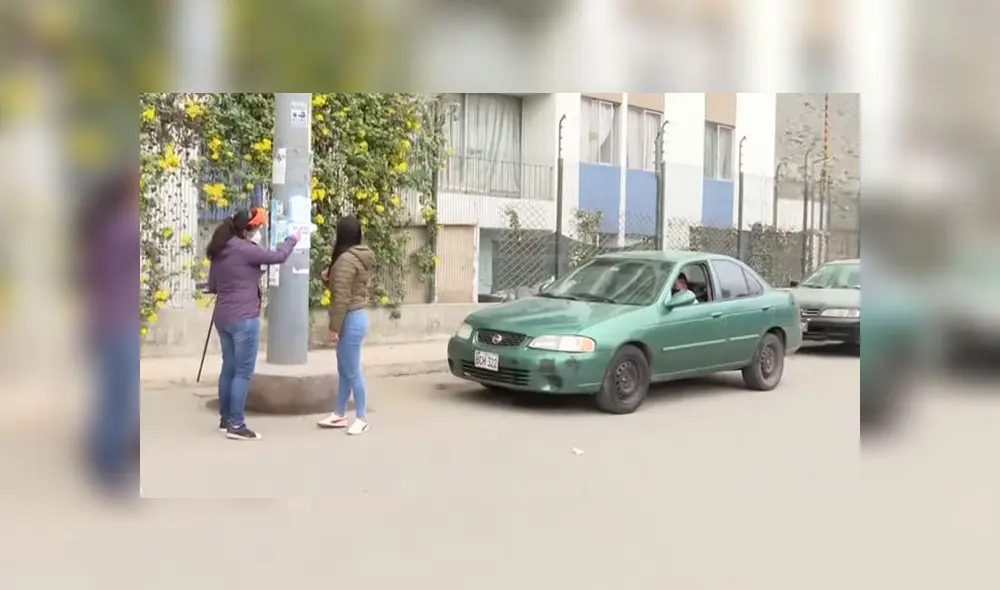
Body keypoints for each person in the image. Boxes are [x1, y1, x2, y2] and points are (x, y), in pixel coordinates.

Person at [206, 208, 299, 441]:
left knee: (228, 367)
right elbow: (277, 257)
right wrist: (292, 240)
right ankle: (237, 425)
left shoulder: (220, 250)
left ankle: (225, 419)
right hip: (244, 317)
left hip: (223, 316)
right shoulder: (245, 249)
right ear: (246, 229)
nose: (258, 232)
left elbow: (213, 285)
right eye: (256, 228)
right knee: (243, 372)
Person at [80, 166, 141, 494]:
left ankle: (101, 457)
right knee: (119, 396)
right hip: (121, 322)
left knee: (108, 394)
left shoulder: (100, 228)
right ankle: (112, 469)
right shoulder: (128, 227)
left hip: (102, 320)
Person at [316, 216, 376, 435]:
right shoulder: (358, 256)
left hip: (349, 318)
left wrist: (334, 328)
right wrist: (329, 277)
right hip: (355, 316)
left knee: (351, 370)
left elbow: (341, 298)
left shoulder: (344, 260)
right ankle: (339, 414)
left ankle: (362, 417)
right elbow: (347, 286)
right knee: (344, 369)